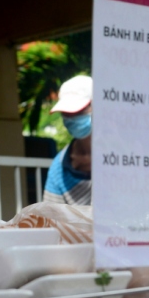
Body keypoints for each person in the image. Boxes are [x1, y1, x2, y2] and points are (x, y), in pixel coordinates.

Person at [43, 75, 92, 205]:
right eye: (66, 113)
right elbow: (51, 217)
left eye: (78, 111)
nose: (71, 117)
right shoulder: (59, 168)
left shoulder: (123, 156)